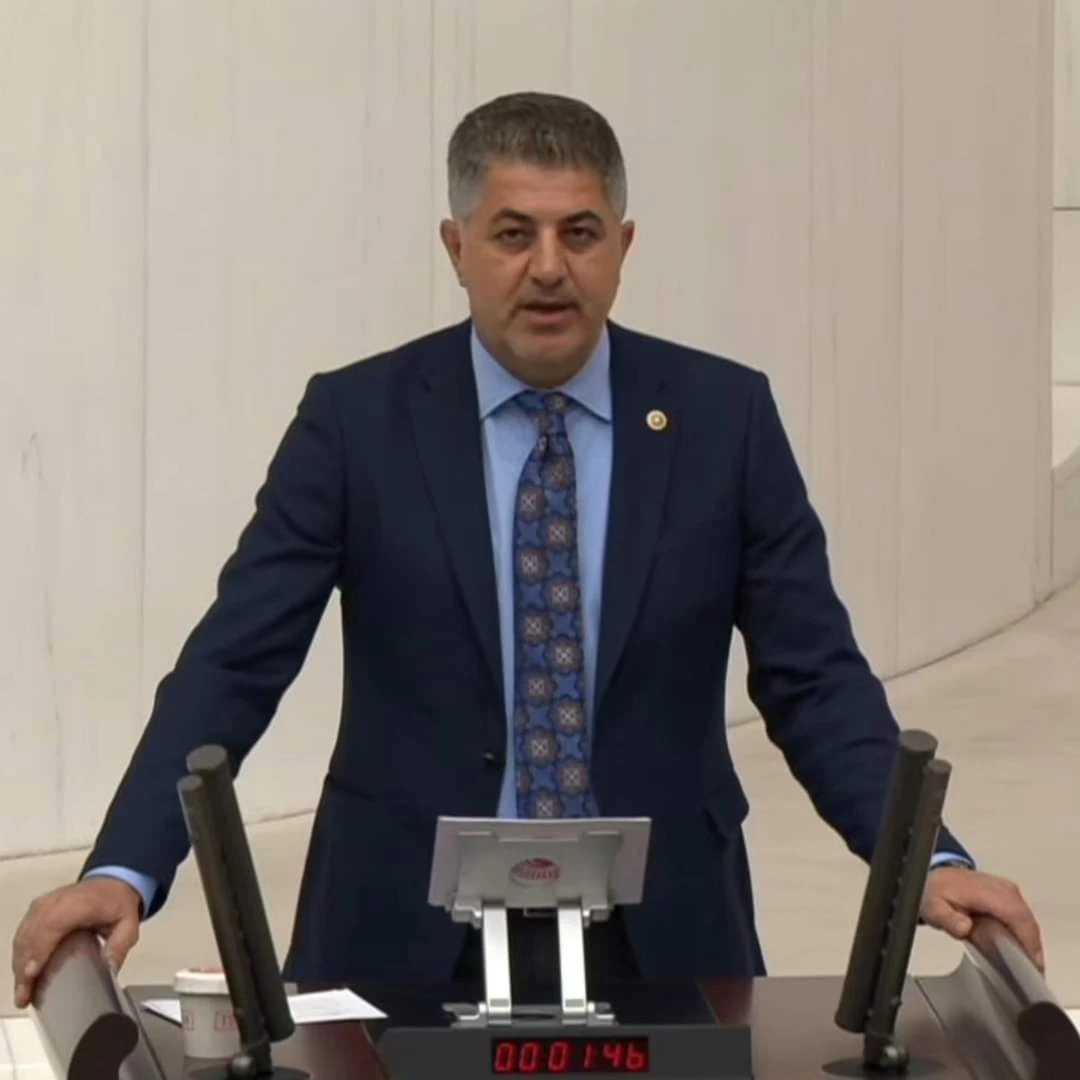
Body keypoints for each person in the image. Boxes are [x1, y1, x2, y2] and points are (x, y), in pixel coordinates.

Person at [12, 91, 1044, 1007]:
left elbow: (816, 680)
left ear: (623, 247)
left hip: (664, 937)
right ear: (457, 247)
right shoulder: (358, 422)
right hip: (400, 935)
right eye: (513, 233)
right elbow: (235, 664)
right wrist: (124, 869)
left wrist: (927, 862)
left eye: (579, 232)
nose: (549, 267)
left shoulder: (723, 421)